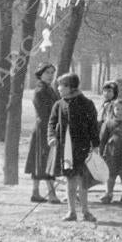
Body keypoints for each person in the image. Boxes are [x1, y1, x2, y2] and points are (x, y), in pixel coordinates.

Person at [47, 72, 100, 222]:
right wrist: (51, 137)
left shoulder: (87, 103)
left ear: (71, 87)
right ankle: (71, 212)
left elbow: (93, 126)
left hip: (83, 149)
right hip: (66, 150)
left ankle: (86, 212)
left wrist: (95, 145)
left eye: (61, 86)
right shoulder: (59, 104)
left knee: (83, 182)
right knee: (70, 181)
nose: (58, 88)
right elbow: (51, 123)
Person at [24, 63, 61, 203]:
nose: (50, 75)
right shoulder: (41, 90)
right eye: (47, 72)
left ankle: (35, 192)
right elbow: (46, 113)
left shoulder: (49, 89)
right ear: (40, 73)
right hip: (45, 129)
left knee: (39, 160)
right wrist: (54, 129)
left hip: (44, 128)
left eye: (52, 72)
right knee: (46, 160)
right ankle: (51, 194)